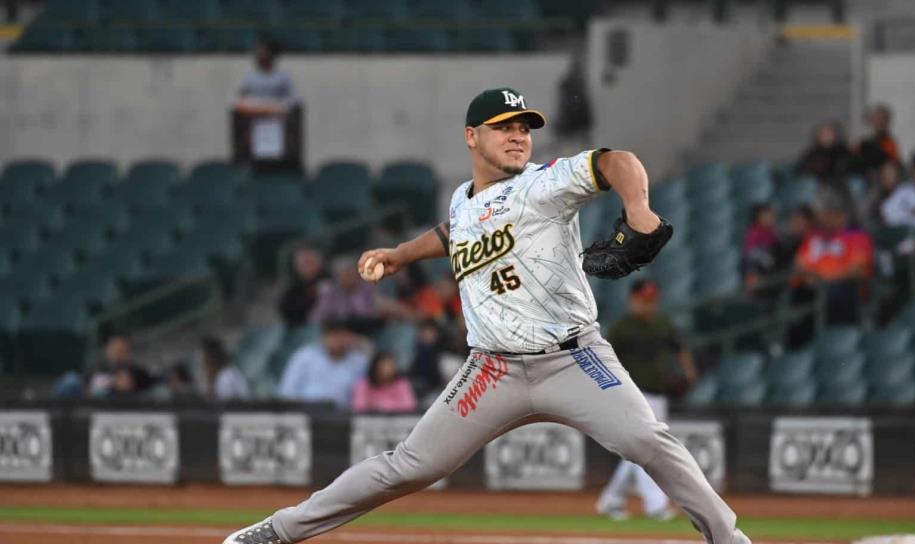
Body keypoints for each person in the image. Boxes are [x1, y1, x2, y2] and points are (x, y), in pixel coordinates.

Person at [224, 88, 748, 544]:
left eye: (524, 127)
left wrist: (638, 208)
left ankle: (730, 540)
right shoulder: (463, 200)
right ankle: (281, 530)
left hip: (574, 359)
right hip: (491, 370)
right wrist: (398, 255)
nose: (518, 135)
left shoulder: (545, 184)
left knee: (649, 441)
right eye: (504, 127)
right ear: (472, 136)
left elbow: (617, 161)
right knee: (408, 467)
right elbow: (451, 232)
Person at [597, 279, 697, 521]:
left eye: (652, 300)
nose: (649, 304)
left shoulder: (662, 324)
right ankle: (656, 505)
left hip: (658, 394)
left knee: (639, 449)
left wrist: (689, 371)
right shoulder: (623, 328)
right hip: (632, 395)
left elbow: (679, 348)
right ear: (633, 299)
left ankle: (611, 500)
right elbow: (605, 358)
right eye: (645, 300)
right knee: (648, 447)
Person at [788, 197, 874, 346]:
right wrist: (811, 278)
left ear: (841, 216)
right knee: (794, 296)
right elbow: (799, 265)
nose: (822, 219)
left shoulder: (856, 236)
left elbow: (857, 270)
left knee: (833, 293)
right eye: (822, 215)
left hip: (844, 290)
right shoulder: (814, 237)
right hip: (811, 289)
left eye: (828, 214)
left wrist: (823, 279)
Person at [276, 319, 369, 407]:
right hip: (305, 412)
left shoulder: (359, 361)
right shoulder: (305, 355)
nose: (339, 340)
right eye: (335, 335)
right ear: (325, 336)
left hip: (342, 416)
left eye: (344, 335)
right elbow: (287, 390)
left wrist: (364, 345)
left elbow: (368, 392)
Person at [308, 257, 381, 330]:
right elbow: (315, 317)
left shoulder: (368, 289)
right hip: (339, 331)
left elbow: (374, 312)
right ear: (337, 277)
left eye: (351, 274)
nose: (350, 278)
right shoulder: (330, 293)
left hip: (368, 329)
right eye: (345, 275)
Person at [234, 39, 297, 115]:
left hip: (277, 117)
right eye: (258, 54)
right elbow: (241, 98)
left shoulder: (283, 77)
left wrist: (273, 107)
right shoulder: (250, 77)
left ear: (272, 56)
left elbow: (292, 99)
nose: (259, 57)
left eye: (263, 53)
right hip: (253, 117)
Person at [351, 351, 417, 413]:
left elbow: (409, 406)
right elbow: (358, 406)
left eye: (390, 365)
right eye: (383, 366)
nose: (387, 369)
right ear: (375, 367)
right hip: (370, 422)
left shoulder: (402, 384)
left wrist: (380, 405)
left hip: (397, 422)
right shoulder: (364, 383)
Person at [277, 247, 327, 328]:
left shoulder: (334, 282)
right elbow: (289, 313)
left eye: (311, 263)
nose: (309, 268)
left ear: (320, 264)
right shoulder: (291, 292)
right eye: (305, 264)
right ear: (297, 268)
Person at [742, 203, 781, 293]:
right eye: (767, 215)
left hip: (770, 272)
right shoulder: (754, 232)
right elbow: (751, 254)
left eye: (772, 215)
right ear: (759, 217)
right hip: (756, 271)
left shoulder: (774, 232)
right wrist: (766, 258)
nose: (771, 218)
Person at [853, 103, 900, 177]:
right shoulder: (862, 140)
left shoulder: (890, 144)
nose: (880, 122)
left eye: (883, 119)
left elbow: (893, 164)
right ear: (872, 120)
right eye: (878, 118)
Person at [200, 336, 250, 401]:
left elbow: (228, 406)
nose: (202, 364)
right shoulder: (225, 374)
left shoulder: (226, 377)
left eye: (204, 359)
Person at [860, 160, 903, 230]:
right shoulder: (876, 195)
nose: (887, 177)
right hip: (883, 231)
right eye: (885, 174)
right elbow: (864, 214)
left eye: (891, 173)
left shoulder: (906, 191)